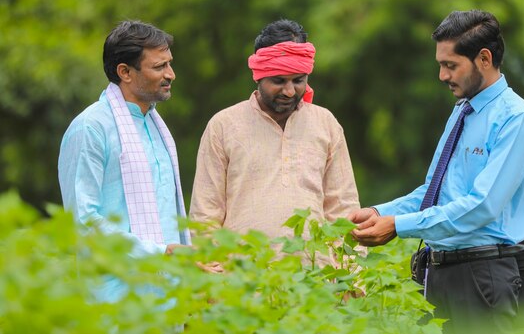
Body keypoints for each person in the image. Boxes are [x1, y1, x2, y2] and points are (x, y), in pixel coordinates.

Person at [348, 10, 524, 333]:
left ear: (483, 58)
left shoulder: (515, 118)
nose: (442, 75)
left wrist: (399, 226)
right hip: (440, 273)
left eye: (450, 65)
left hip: (485, 277)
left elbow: (483, 205)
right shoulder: (462, 112)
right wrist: (379, 212)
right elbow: (435, 192)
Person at [189, 19, 361, 264]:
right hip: (242, 282)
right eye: (279, 81)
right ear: (258, 76)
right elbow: (205, 213)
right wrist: (212, 274)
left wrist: (351, 276)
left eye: (298, 80)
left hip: (317, 282)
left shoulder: (326, 124)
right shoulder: (224, 126)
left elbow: (342, 208)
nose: (289, 91)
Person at [58, 20, 191, 302]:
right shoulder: (90, 128)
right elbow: (83, 223)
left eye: (169, 64)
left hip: (168, 298)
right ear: (125, 72)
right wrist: (162, 252)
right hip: (114, 302)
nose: (171, 74)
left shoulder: (156, 126)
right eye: (159, 67)